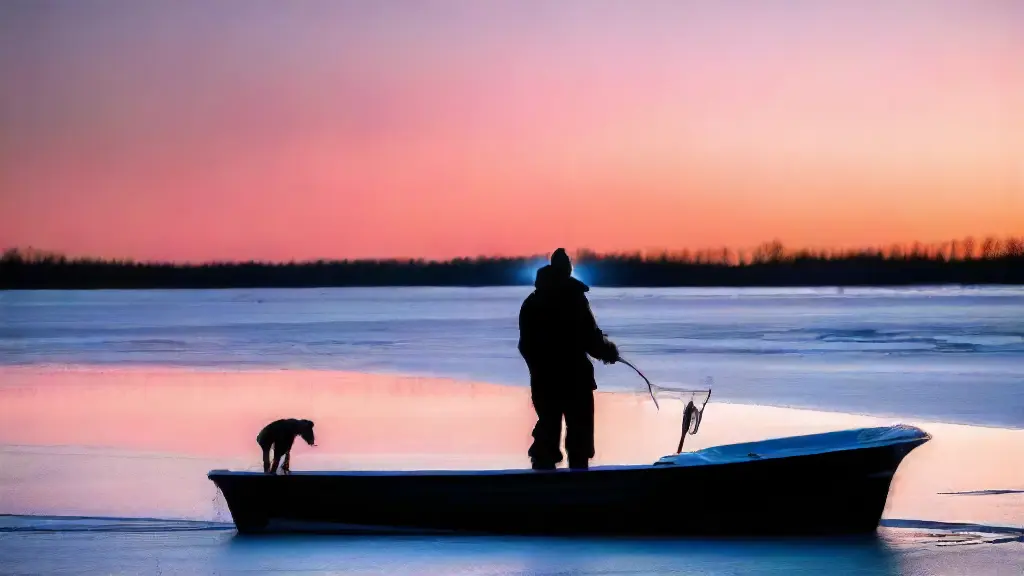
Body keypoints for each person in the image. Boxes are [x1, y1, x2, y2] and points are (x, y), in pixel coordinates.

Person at [518, 248, 620, 471]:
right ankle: (577, 481)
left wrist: (538, 368)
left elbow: (525, 346)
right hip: (575, 379)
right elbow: (590, 338)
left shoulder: (531, 303)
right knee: (579, 437)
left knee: (548, 431)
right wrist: (608, 351)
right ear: (567, 269)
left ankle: (543, 483)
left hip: (544, 380)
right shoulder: (575, 299)